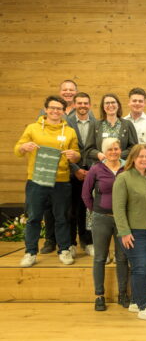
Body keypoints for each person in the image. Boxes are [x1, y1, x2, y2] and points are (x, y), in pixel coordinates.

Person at [15, 96, 81, 267]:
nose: (55, 111)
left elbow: (76, 154)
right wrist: (23, 147)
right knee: (33, 218)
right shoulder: (32, 128)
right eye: (52, 108)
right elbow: (17, 149)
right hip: (36, 180)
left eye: (59, 108)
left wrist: (74, 155)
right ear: (45, 109)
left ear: (64, 111)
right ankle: (30, 252)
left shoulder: (69, 131)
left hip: (61, 181)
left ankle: (64, 250)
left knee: (62, 218)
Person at [112, 144, 146, 322]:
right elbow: (118, 208)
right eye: (141, 156)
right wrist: (124, 232)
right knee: (140, 268)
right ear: (133, 159)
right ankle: (144, 307)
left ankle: (135, 302)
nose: (144, 159)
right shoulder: (124, 178)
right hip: (135, 231)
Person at [82, 137, 129, 311]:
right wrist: (95, 210)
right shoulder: (96, 169)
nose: (113, 152)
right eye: (110, 149)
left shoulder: (127, 168)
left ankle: (123, 294)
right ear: (104, 152)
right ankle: (99, 296)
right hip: (101, 218)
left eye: (116, 148)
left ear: (120, 150)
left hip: (122, 220)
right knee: (100, 257)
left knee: (122, 258)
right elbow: (86, 194)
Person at [66, 92, 95, 255]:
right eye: (80, 103)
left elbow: (96, 147)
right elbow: (63, 149)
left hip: (91, 172)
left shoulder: (96, 123)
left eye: (86, 103)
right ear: (74, 105)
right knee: (71, 209)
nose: (83, 106)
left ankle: (87, 241)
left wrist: (92, 171)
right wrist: (75, 169)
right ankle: (71, 243)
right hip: (72, 172)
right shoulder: (66, 123)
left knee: (88, 209)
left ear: (89, 105)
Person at [88, 93, 139, 164]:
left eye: (113, 102)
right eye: (107, 103)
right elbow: (88, 149)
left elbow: (134, 148)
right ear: (103, 107)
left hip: (122, 166)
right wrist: (98, 154)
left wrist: (118, 155)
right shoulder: (95, 125)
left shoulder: (127, 124)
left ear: (118, 105)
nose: (110, 105)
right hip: (101, 166)